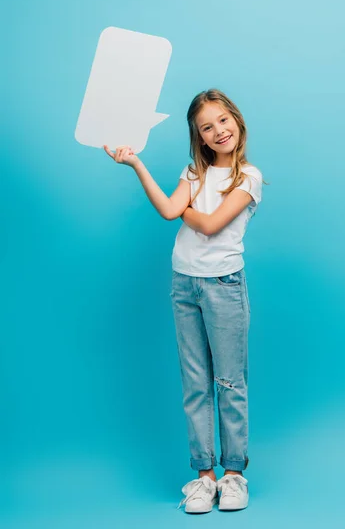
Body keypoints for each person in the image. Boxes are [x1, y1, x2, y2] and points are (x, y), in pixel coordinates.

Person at [104, 88, 266, 514]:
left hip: (224, 285)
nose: (218, 131)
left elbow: (211, 225)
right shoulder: (193, 172)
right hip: (184, 285)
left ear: (237, 119)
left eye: (223, 120)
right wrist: (136, 163)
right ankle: (203, 478)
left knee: (229, 382)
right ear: (199, 135)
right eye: (207, 127)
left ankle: (234, 475)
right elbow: (166, 208)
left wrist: (185, 210)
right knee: (195, 384)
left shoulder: (248, 176)